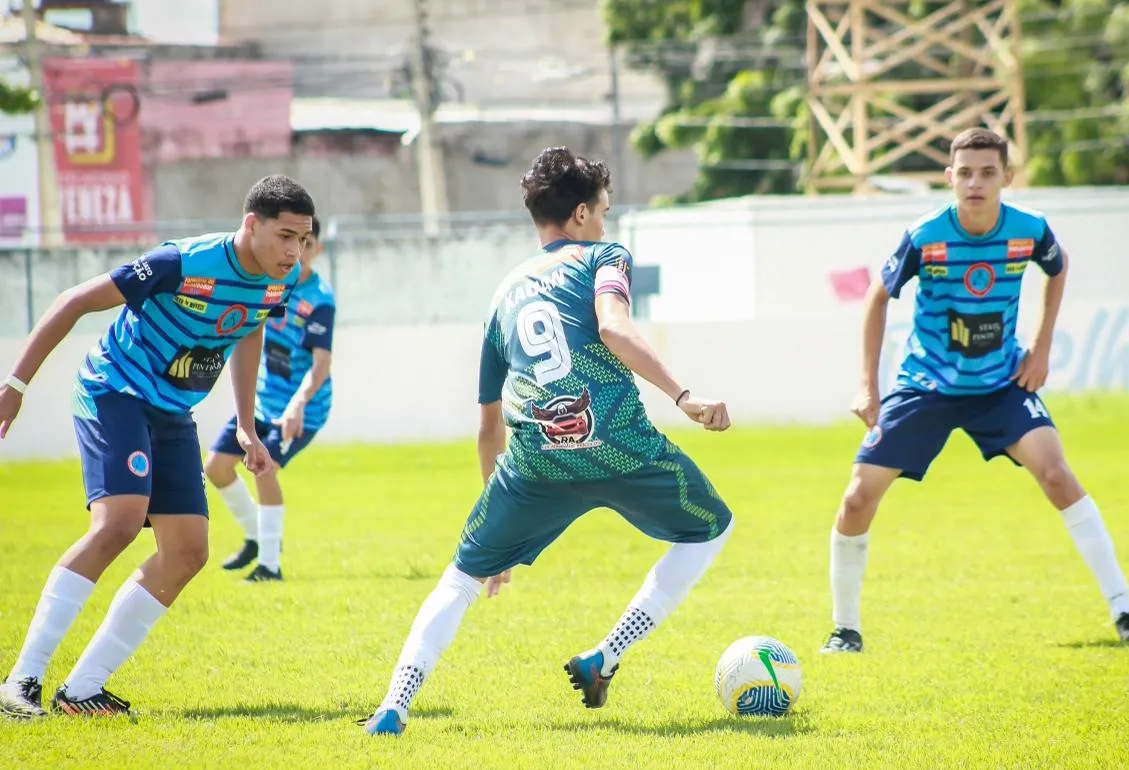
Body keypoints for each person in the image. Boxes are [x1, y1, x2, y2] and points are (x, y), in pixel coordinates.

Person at [362, 147, 734, 736]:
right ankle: (606, 656)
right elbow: (612, 326)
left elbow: (487, 423)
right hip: (616, 442)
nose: (608, 223)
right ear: (582, 213)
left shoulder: (503, 294)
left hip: (533, 459)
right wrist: (683, 396)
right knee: (713, 526)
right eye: (605, 210)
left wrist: (498, 522)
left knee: (459, 579)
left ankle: (394, 704)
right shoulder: (603, 255)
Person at [821, 128, 1129, 655]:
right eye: (966, 172)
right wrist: (868, 384)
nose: (975, 182)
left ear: (1007, 176)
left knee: (1056, 474)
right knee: (858, 497)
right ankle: (845, 630)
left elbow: (1058, 266)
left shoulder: (1029, 229)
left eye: (987, 172)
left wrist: (1042, 348)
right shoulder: (926, 233)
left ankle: (1126, 611)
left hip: (1001, 383)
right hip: (926, 384)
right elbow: (877, 296)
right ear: (950, 177)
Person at [0, 176, 314, 718]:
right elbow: (74, 301)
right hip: (114, 391)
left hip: (172, 411)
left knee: (188, 550)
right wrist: (16, 387)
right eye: (285, 235)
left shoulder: (278, 284)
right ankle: (20, 682)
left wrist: (245, 424)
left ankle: (81, 691)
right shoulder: (182, 263)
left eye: (303, 239)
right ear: (251, 224)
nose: (294, 251)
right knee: (119, 523)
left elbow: (249, 331)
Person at [204, 216, 336, 583]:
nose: (298, 251)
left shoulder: (319, 299)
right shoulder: (271, 283)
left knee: (265, 469)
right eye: (294, 241)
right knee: (216, 467)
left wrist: (297, 405)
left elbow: (321, 363)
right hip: (261, 403)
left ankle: (269, 566)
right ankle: (256, 537)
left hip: (301, 410)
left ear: (316, 249)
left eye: (307, 243)